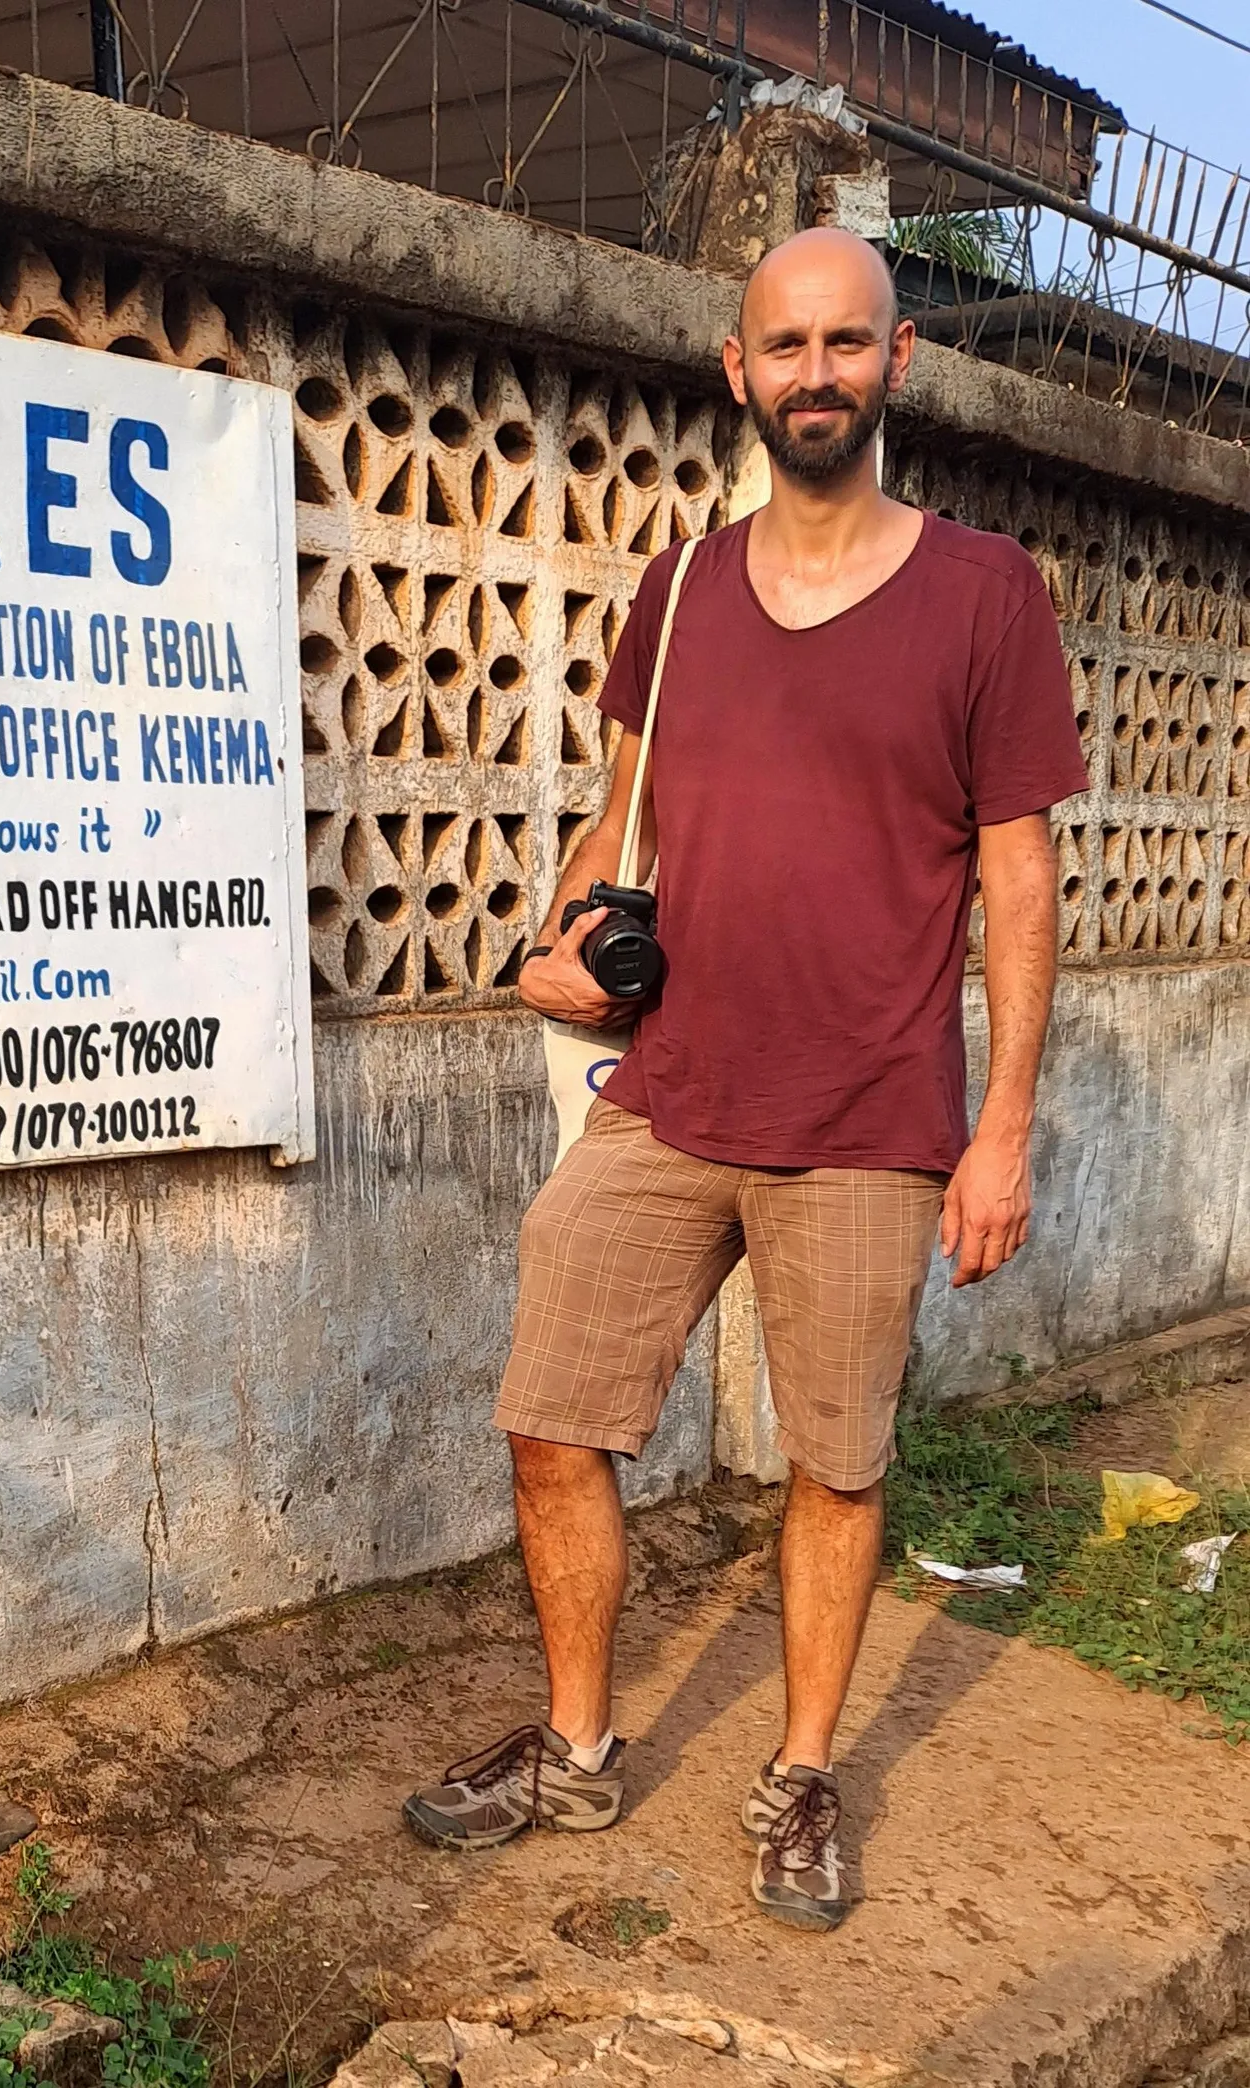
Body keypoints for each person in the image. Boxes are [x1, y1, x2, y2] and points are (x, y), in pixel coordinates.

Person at [402, 227, 1087, 1931]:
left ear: (898, 361)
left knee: (834, 1468)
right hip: (669, 1092)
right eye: (785, 346)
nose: (816, 374)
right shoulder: (685, 589)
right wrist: (559, 940)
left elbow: (1019, 878)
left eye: (846, 343)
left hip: (868, 1122)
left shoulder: (985, 593)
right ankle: (577, 1747)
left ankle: (799, 1776)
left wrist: (1002, 1129)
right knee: (551, 1418)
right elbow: (620, 818)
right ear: (738, 370)